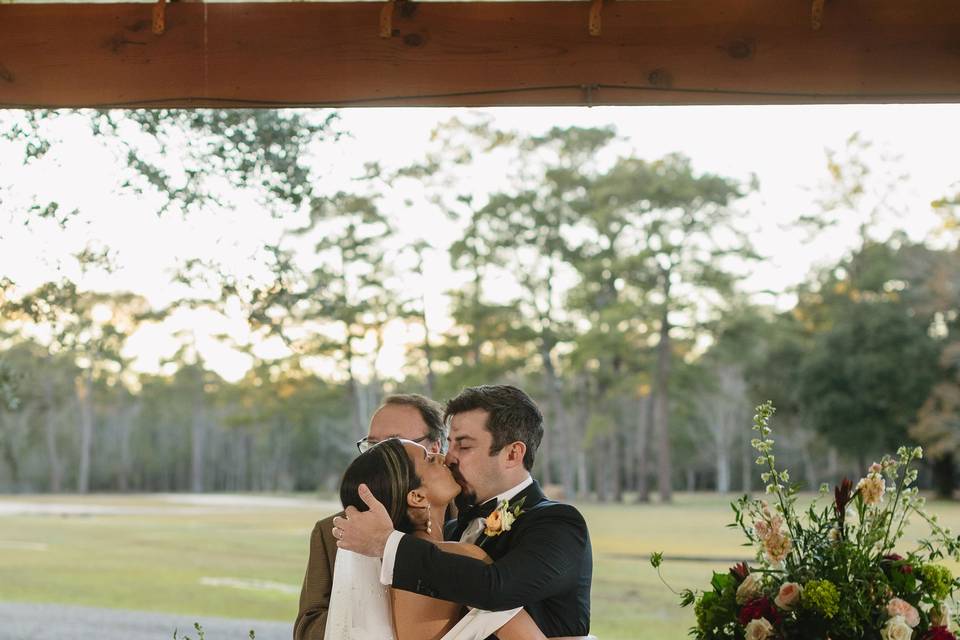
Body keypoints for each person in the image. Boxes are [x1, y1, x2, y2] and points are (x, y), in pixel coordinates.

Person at [333, 385, 592, 638]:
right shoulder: (449, 531)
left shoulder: (558, 524)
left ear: (513, 454)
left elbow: (495, 588)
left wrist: (387, 543)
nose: (448, 457)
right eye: (450, 443)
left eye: (464, 446)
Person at [330, 438, 549, 640]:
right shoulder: (459, 557)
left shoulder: (384, 570)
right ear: (417, 497)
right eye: (429, 458)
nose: (443, 457)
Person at [294, 394, 446, 640]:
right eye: (372, 444)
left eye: (395, 442)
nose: (379, 454)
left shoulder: (466, 522)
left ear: (435, 448)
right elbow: (307, 626)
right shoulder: (331, 530)